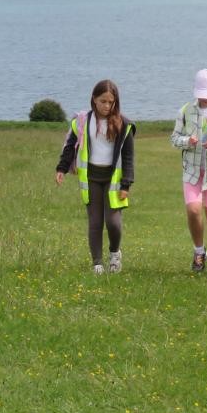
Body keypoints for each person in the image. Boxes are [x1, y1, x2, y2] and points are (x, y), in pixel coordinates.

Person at [55, 79, 136, 275]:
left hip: (113, 181)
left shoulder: (124, 125)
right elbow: (69, 147)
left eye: (111, 102)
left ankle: (115, 253)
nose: (107, 106)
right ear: (94, 99)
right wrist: (61, 168)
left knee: (113, 223)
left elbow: (128, 158)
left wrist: (126, 184)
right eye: (103, 101)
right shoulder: (82, 122)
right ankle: (97, 263)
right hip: (91, 178)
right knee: (95, 222)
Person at [170, 68, 207, 273]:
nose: (203, 99)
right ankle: (199, 251)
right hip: (192, 170)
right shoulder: (185, 111)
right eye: (200, 95)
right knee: (193, 211)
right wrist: (187, 141)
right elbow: (174, 139)